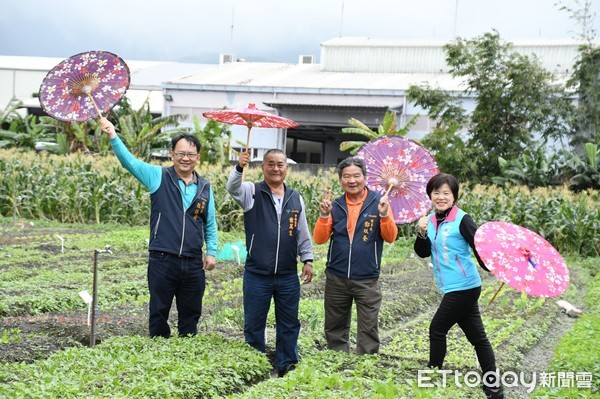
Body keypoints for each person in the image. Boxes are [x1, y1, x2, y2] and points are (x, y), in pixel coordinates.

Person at [99, 117, 217, 338]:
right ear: (171, 154)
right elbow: (130, 163)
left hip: (192, 260)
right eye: (180, 153)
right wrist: (114, 136)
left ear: (198, 158)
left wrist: (211, 252)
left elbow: (210, 223)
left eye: (190, 154)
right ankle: (158, 349)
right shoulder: (158, 176)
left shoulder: (205, 188)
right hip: (163, 257)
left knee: (191, 312)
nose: (185, 158)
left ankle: (187, 348)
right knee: (159, 310)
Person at [414, 173, 504, 399]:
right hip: (453, 286)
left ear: (454, 196)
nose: (441, 197)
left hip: (464, 286)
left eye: (446, 193)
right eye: (436, 193)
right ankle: (494, 387)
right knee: (478, 338)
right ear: (430, 196)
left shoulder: (463, 219)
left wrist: (493, 267)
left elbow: (478, 245)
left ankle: (433, 375)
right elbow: (423, 252)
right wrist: (421, 232)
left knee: (437, 328)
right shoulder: (431, 220)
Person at [226, 149, 314, 377]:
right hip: (257, 273)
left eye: (280, 164)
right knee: (254, 323)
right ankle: (255, 364)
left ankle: (287, 363)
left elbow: (302, 231)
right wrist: (239, 167)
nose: (276, 168)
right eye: (271, 164)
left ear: (287, 168)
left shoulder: (296, 197)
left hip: (287, 274)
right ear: (263, 167)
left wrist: (308, 258)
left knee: (289, 322)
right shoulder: (251, 191)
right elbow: (232, 188)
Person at [313, 156, 398, 354]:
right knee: (335, 324)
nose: (352, 181)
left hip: (367, 277)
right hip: (337, 276)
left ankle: (365, 362)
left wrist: (384, 215)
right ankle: (337, 358)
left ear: (365, 178)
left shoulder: (379, 202)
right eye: (346, 176)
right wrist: (325, 215)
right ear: (341, 180)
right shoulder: (335, 204)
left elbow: (391, 236)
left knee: (368, 326)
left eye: (356, 176)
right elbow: (319, 239)